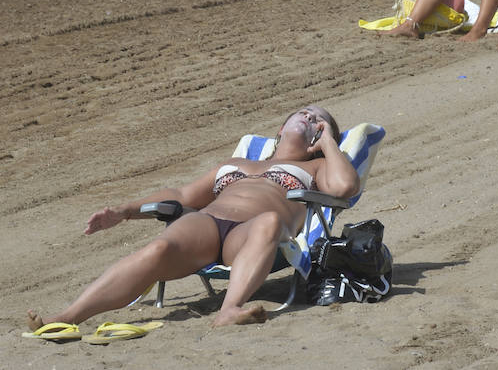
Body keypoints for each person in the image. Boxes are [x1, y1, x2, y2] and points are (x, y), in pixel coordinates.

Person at [25, 103, 358, 334]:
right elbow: (182, 197)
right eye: (303, 112)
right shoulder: (236, 163)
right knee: (157, 251)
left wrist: (329, 142)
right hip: (209, 226)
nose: (309, 116)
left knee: (269, 220)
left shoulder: (316, 167)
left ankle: (230, 309)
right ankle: (68, 317)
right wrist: (125, 212)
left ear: (318, 140)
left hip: (255, 235)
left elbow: (345, 187)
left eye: (318, 119)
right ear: (281, 128)